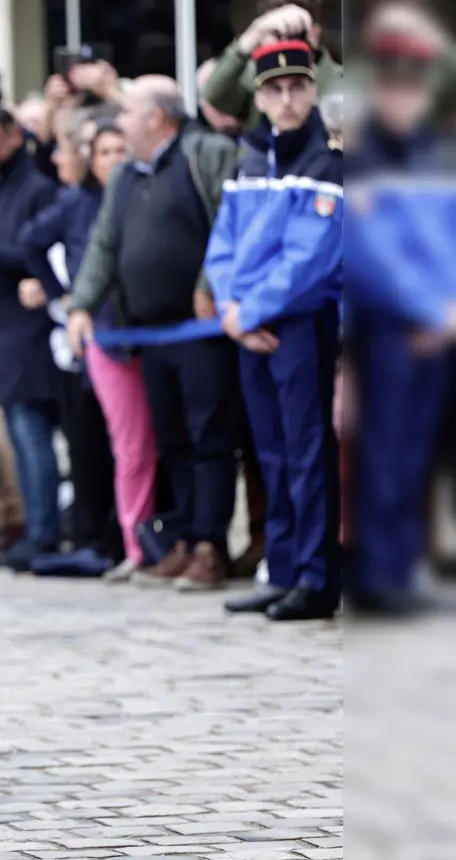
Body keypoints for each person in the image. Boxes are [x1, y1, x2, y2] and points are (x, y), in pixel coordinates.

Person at [66, 76, 243, 592]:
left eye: (127, 112)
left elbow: (232, 223)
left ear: (156, 117)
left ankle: (211, 546)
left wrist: (211, 282)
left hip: (201, 330)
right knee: (172, 441)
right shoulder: (124, 176)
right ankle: (185, 540)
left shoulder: (205, 153)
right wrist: (81, 305)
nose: (119, 122)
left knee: (210, 438)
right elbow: (104, 245)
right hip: (150, 335)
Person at [205, 40, 343, 621]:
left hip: (299, 323)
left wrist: (248, 312)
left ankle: (316, 576)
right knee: (272, 453)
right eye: (274, 90)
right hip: (250, 326)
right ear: (258, 97)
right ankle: (281, 567)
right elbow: (224, 244)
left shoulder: (326, 159)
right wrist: (230, 309)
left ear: (312, 90)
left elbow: (311, 258)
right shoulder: (250, 157)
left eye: (296, 87)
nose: (286, 100)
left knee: (308, 452)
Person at [342, 6, 456, 616]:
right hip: (392, 326)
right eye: (392, 85)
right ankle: (379, 573)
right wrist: (430, 310)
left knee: (416, 456)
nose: (403, 98)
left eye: (413, 87)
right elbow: (371, 256)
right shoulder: (362, 159)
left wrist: (448, 309)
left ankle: (400, 568)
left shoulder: (436, 155)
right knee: (384, 452)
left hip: (439, 323)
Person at [20, 114, 131, 576]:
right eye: (102, 152)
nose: (111, 160)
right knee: (87, 443)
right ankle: (92, 537)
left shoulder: (135, 195)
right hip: (88, 337)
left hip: (136, 332)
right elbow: (30, 241)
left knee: (128, 444)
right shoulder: (76, 201)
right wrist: (58, 291)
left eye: (118, 150)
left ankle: (128, 536)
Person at [0, 103, 63, 570]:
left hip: (30, 331)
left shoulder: (39, 189)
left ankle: (44, 532)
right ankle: (32, 527)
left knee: (31, 431)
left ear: (15, 137)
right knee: (18, 434)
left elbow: (41, 251)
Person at [201, 1, 344, 133]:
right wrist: (252, 36)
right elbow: (215, 94)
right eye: (277, 33)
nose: (285, 43)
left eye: (295, 34)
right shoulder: (255, 79)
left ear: (315, 32)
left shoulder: (341, 83)